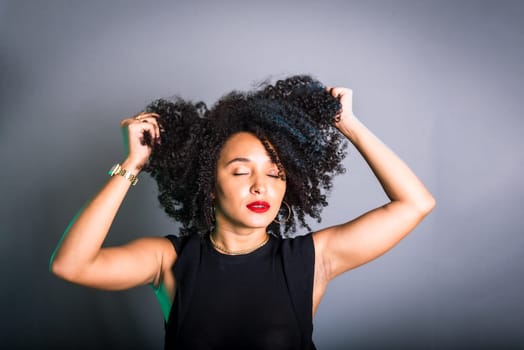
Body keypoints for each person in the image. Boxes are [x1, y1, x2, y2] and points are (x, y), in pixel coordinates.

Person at [50, 75, 435, 349]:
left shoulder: (311, 260)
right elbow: (72, 265)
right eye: (240, 170)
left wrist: (346, 124)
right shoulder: (168, 260)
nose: (260, 185)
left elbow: (415, 203)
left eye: (275, 173)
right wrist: (133, 163)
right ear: (208, 184)